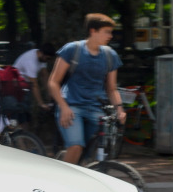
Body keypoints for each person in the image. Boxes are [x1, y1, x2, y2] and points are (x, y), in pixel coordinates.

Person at [48, 14, 124, 164]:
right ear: (93, 31)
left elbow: (111, 89)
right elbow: (53, 82)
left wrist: (120, 109)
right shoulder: (72, 49)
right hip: (72, 106)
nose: (110, 36)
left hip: (96, 109)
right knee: (76, 146)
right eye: (107, 31)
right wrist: (63, 107)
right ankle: (63, 181)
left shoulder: (110, 55)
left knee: (91, 152)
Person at [13, 41, 59, 112]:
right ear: (42, 54)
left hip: (25, 84)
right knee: (22, 110)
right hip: (16, 85)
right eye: (47, 59)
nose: (48, 61)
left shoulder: (41, 59)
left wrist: (50, 93)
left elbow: (44, 76)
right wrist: (41, 104)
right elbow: (34, 85)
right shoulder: (31, 61)